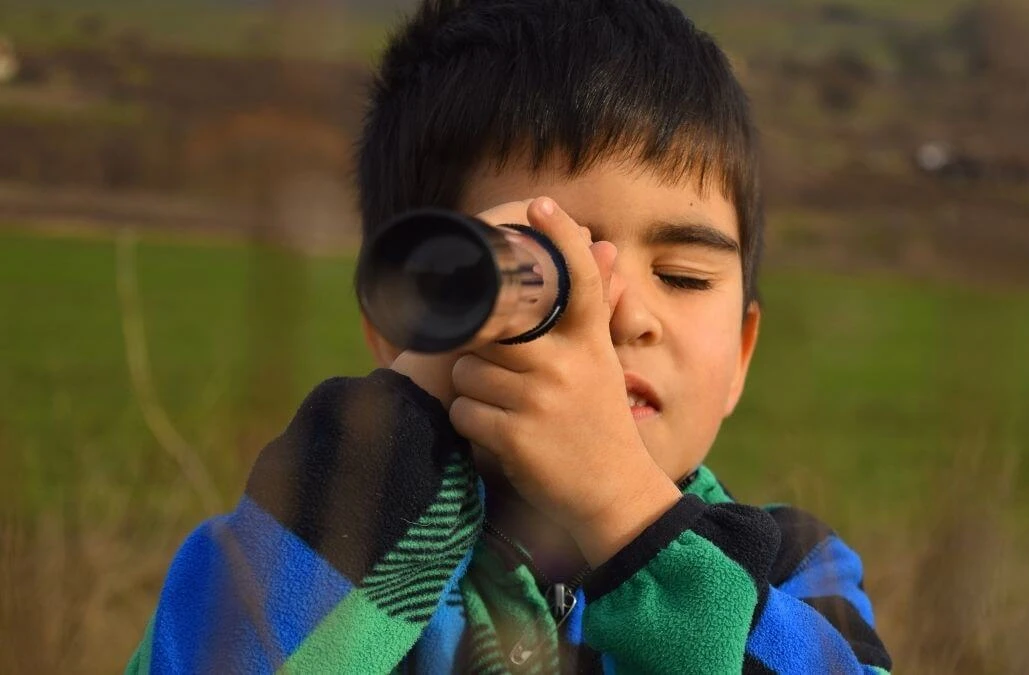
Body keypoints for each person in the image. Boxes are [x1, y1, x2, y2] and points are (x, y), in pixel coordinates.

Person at [127, 0, 892, 672]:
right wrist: (395, 430)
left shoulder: (792, 570)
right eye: (546, 266)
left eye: (685, 275)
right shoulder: (316, 558)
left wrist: (627, 513)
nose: (620, 315)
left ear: (742, 353)